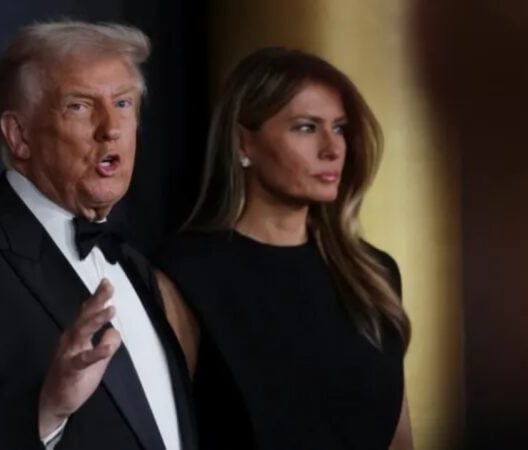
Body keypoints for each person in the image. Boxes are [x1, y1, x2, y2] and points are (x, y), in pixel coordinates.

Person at [0, 21, 196, 450]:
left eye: (123, 103)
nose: (111, 127)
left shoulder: (133, 265)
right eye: (79, 106)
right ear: (19, 135)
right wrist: (47, 409)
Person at [156, 47, 413, 449]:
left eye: (340, 128)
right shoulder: (186, 274)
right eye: (307, 128)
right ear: (243, 143)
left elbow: (399, 439)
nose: (332, 148)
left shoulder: (374, 274)